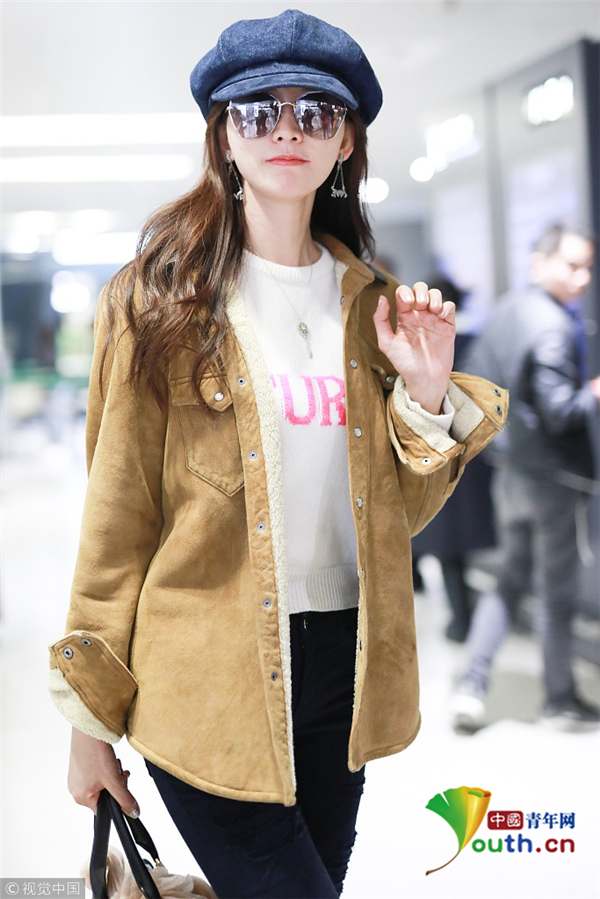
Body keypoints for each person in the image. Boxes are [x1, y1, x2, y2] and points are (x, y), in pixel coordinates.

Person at [48, 10, 506, 898]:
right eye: (258, 112)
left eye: (316, 112)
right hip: (203, 673)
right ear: (224, 136)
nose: (287, 129)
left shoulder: (374, 306)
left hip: (344, 671)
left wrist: (423, 393)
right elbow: (117, 518)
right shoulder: (157, 302)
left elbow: (392, 523)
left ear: (346, 142)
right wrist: (87, 720)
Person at [451, 224, 600, 734]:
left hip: (509, 472)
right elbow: (561, 411)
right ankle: (559, 700)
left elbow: (474, 383)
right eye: (572, 265)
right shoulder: (554, 325)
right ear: (541, 263)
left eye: (587, 267)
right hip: (554, 480)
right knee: (556, 593)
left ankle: (471, 685)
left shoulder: (508, 310)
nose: (582, 277)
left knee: (510, 581)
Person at [411, 276, 496, 642]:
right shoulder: (472, 345)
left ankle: (462, 620)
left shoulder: (416, 350)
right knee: (452, 546)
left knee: (446, 545)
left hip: (437, 454)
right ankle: (463, 618)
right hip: (465, 454)